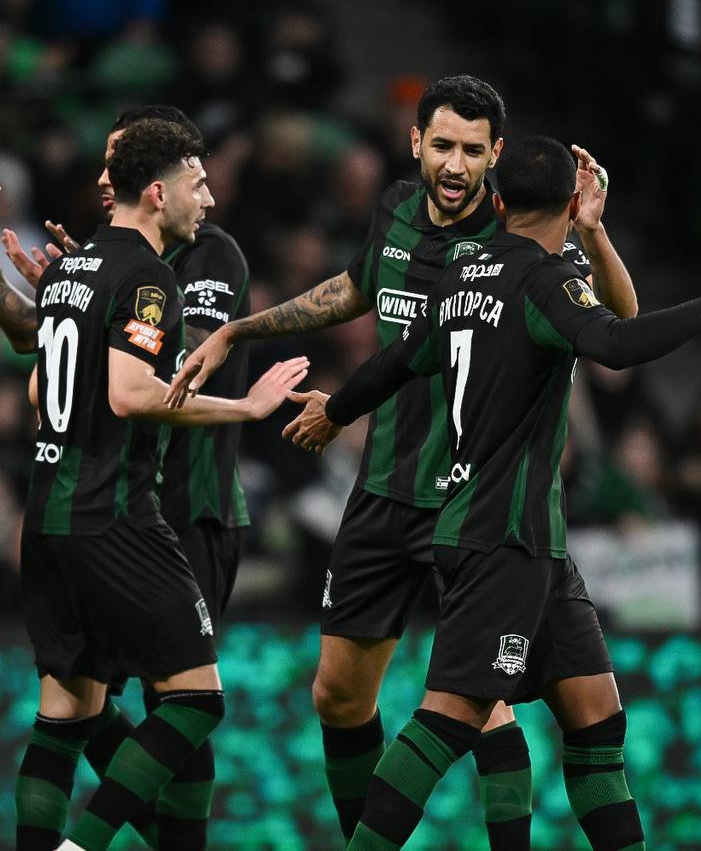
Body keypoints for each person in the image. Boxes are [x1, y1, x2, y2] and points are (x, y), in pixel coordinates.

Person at [167, 74, 638, 846]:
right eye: (443, 145)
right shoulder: (393, 209)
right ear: (416, 142)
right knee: (338, 696)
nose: (455, 164)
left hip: (472, 501)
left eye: (473, 151)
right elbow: (355, 289)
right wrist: (239, 330)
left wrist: (593, 231)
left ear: (496, 155)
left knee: (482, 705)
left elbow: (618, 319)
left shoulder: (524, 235)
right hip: (384, 490)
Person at [287, 135, 701, 850]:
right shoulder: (544, 282)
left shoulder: (462, 274)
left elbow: (395, 361)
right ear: (571, 202)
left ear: (497, 200)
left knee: (596, 718)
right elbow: (617, 344)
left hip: (526, 537)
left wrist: (336, 410)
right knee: (448, 717)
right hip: (501, 537)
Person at [0, 117, 306, 851]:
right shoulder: (150, 276)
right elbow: (131, 393)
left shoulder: (72, 270)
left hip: (48, 514)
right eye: (197, 183)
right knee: (195, 701)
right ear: (159, 192)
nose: (208, 197)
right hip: (117, 514)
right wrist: (247, 407)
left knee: (65, 715)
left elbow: (41, 387)